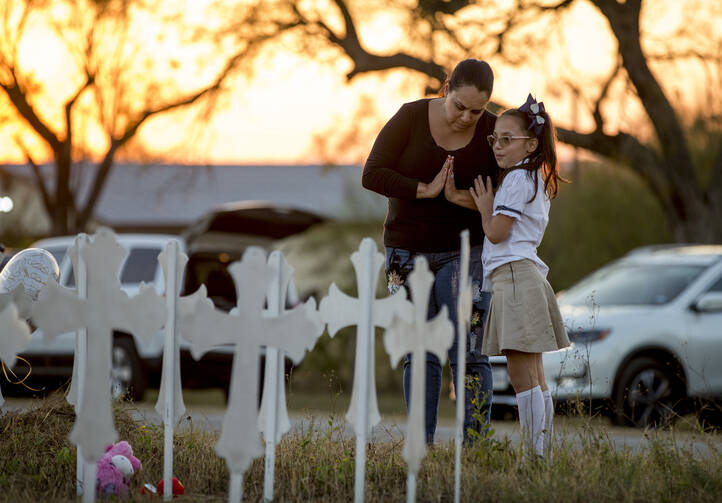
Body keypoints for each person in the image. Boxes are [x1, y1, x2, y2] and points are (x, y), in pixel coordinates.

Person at [362, 59, 498, 444]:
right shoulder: (409, 117)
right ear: (446, 88)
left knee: (469, 349)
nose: (467, 117)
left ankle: (476, 447)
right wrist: (424, 189)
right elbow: (372, 173)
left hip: (466, 252)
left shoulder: (492, 131)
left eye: (477, 110)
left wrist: (459, 197)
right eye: (460, 106)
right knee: (419, 349)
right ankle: (420, 445)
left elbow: (506, 199)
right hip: (405, 253)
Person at [469, 94, 570, 457]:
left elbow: (496, 232)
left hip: (513, 279)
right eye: (495, 139)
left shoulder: (516, 180)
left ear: (531, 143)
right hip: (524, 277)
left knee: (522, 377)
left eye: (507, 140)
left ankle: (534, 456)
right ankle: (541, 453)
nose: (498, 146)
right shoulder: (534, 177)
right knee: (536, 377)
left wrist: (484, 208)